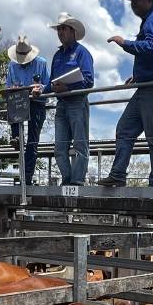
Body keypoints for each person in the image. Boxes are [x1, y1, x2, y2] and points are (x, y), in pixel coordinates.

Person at [101, 0, 153, 188]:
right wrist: (139, 76)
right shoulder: (151, 20)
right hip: (147, 86)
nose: (133, 4)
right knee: (125, 129)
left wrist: (124, 43)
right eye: (131, 0)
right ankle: (118, 175)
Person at [46, 12, 94, 187]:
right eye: (58, 29)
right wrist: (40, 90)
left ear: (73, 31)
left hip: (77, 102)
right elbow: (51, 82)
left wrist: (68, 87)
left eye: (63, 29)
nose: (60, 32)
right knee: (59, 148)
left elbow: (89, 81)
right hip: (62, 104)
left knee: (80, 145)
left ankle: (77, 181)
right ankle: (67, 180)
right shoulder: (57, 56)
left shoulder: (82, 53)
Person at [5, 35, 50, 187]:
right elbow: (8, 85)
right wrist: (12, 89)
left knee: (32, 142)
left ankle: (27, 178)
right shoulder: (12, 66)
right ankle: (16, 136)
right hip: (19, 102)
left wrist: (40, 88)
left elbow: (48, 85)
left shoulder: (41, 63)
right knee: (12, 103)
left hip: (37, 102)